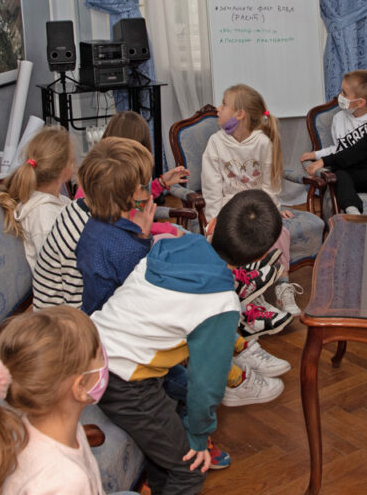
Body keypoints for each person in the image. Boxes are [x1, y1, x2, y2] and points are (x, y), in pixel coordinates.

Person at [90, 189, 285, 495]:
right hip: (124, 381)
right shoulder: (222, 304)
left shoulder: (173, 243)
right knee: (191, 469)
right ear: (259, 258)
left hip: (91, 347)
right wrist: (198, 436)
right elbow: (206, 385)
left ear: (212, 223)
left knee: (167, 445)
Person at [0, 306, 116, 495]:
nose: (105, 359)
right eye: (98, 354)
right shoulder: (67, 482)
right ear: (79, 387)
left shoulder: (46, 428)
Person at [203, 84, 300, 328]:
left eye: (224, 104)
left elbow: (268, 185)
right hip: (229, 209)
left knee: (280, 233)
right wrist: (213, 220)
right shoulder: (215, 143)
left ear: (240, 114)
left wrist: (272, 211)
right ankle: (249, 298)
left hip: (257, 207)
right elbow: (212, 188)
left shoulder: (263, 142)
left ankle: (282, 287)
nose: (218, 108)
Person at [300, 69, 367, 216]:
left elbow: (355, 152)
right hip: (347, 172)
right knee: (341, 176)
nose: (340, 96)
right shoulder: (339, 118)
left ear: (360, 102)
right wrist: (316, 154)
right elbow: (339, 148)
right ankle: (353, 211)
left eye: (344, 93)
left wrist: (322, 161)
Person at [0, 127, 76, 304]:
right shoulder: (43, 218)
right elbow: (56, 273)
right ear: (66, 170)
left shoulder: (58, 201)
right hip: (60, 308)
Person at [100, 111, 189, 238]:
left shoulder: (107, 171)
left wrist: (161, 183)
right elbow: (131, 223)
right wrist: (171, 230)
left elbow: (137, 203)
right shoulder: (112, 180)